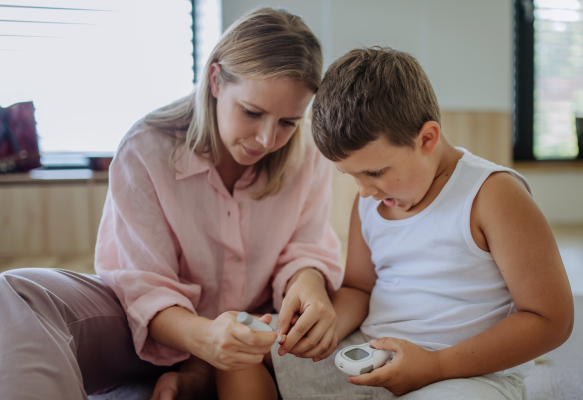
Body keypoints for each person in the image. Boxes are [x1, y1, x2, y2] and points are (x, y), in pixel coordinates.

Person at [0, 8, 343, 400]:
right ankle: (200, 371)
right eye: (252, 112)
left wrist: (311, 286)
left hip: (260, 334)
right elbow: (142, 289)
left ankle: (202, 375)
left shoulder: (310, 155)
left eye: (288, 122)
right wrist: (204, 340)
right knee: (14, 292)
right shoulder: (145, 150)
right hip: (146, 330)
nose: (267, 139)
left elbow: (305, 250)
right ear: (215, 81)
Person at [269, 47, 574, 399]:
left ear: (427, 139)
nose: (364, 190)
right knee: (246, 360)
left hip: (464, 373)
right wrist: (326, 327)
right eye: (349, 175)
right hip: (370, 354)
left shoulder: (493, 195)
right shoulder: (369, 201)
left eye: (375, 172)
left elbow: (552, 319)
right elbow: (358, 289)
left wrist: (435, 365)